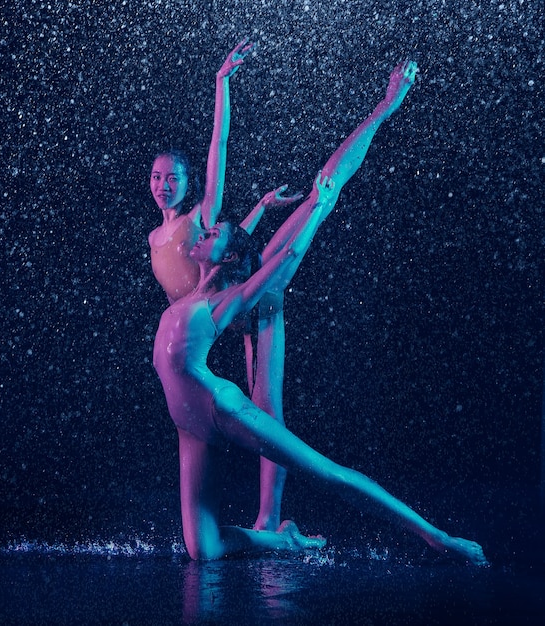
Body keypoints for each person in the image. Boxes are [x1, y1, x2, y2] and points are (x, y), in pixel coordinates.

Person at [153, 60, 489, 566]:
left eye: (212, 230)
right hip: (194, 406)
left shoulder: (235, 284)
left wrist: (385, 105)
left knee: (320, 464)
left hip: (230, 365)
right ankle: (275, 535)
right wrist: (261, 209)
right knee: (206, 548)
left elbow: (250, 172)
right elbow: (231, 242)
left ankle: (434, 538)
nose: (205, 228)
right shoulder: (193, 276)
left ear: (220, 253)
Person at [148, 39, 302, 532]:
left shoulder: (201, 217)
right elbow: (229, 250)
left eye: (173, 177)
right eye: (156, 177)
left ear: (187, 184)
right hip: (210, 321)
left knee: (266, 405)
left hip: (246, 307)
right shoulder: (154, 237)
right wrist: (258, 206)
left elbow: (220, 150)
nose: (163, 184)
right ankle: (217, 511)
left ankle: (270, 517)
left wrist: (221, 85)